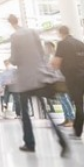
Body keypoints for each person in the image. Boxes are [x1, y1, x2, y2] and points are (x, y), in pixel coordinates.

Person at [8, 15, 69, 157]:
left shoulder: (15, 36)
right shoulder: (33, 32)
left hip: (25, 79)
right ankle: (61, 140)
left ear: (10, 23)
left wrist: (11, 60)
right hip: (39, 76)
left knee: (24, 112)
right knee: (46, 111)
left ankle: (30, 143)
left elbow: (15, 59)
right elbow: (42, 53)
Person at [51, 26, 84, 143]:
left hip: (72, 78)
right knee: (79, 104)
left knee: (78, 106)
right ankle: (77, 132)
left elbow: (56, 63)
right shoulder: (80, 43)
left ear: (60, 33)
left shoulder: (62, 44)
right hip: (83, 77)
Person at [44, 41, 75, 127]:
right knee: (62, 100)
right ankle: (66, 118)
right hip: (56, 80)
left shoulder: (57, 55)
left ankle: (71, 119)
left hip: (61, 79)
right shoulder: (51, 57)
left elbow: (56, 67)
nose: (46, 50)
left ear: (51, 47)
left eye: (46, 47)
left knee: (65, 100)